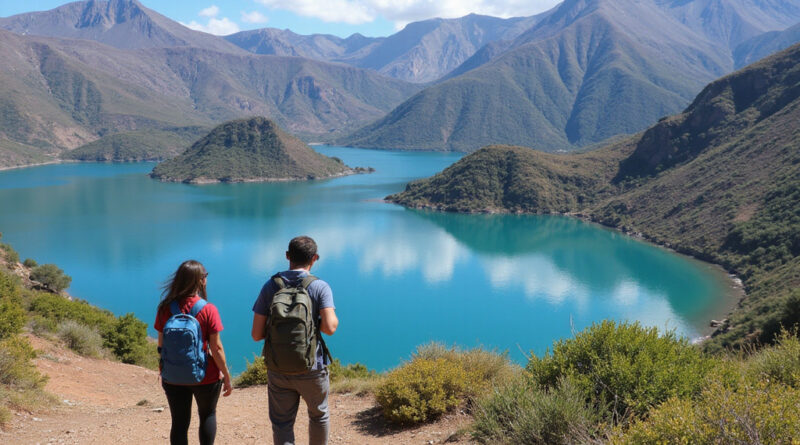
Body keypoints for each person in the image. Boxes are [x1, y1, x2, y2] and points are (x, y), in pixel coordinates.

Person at [251, 236, 339, 445]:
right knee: (319, 416)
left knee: (282, 423)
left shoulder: (270, 286)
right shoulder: (320, 287)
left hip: (278, 368)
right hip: (312, 367)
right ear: (315, 258)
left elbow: (256, 334)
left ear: (287, 256)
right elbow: (330, 328)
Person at [155, 260, 233, 445]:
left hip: (173, 376)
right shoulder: (208, 309)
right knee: (207, 415)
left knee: (179, 423)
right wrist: (227, 376)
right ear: (200, 281)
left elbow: (161, 344)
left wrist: (163, 369)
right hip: (205, 376)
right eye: (205, 276)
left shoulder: (165, 308)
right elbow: (217, 348)